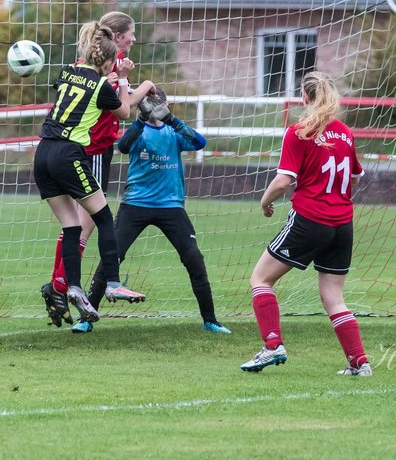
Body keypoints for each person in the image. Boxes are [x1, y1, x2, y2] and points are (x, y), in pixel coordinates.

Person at [240, 72, 370, 376]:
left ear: (305, 97)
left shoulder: (299, 131)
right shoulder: (345, 133)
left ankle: (272, 346)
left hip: (311, 219)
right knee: (334, 297)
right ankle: (359, 362)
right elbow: (354, 175)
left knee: (261, 279)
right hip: (343, 223)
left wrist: (264, 201)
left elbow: (284, 180)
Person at [76, 87, 231, 335]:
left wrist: (171, 119)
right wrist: (139, 121)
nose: (152, 107)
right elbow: (123, 147)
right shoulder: (138, 131)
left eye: (157, 103)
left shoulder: (173, 131)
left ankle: (210, 320)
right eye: (148, 104)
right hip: (135, 204)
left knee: (194, 259)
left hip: (171, 207)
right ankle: (87, 317)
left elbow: (200, 142)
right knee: (112, 257)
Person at [35, 21, 155, 327]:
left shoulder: (67, 71)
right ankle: (112, 281)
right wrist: (125, 80)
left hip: (43, 153)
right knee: (103, 218)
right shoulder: (103, 85)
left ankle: (72, 288)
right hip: (69, 154)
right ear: (106, 62)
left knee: (71, 225)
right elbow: (125, 112)